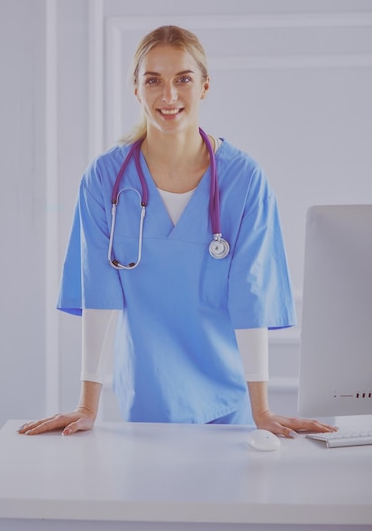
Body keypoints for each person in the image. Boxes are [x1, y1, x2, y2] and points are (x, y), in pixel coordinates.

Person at [19, 26, 335, 438]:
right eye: (153, 80)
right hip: (149, 396)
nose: (169, 96)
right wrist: (86, 405)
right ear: (136, 88)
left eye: (183, 79)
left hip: (229, 399)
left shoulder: (244, 179)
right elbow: (98, 288)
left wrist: (262, 410)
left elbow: (251, 292)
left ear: (204, 86)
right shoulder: (105, 177)